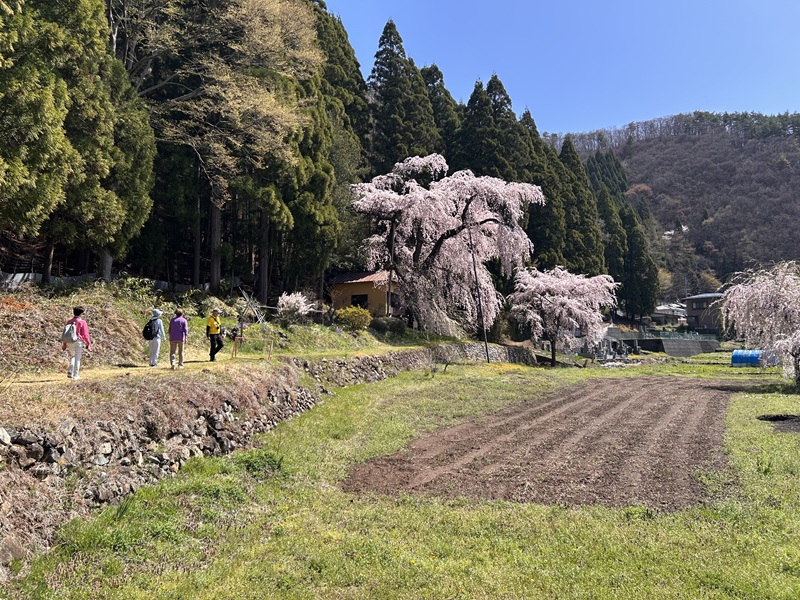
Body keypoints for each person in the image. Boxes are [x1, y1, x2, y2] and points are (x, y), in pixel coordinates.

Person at [62, 306, 91, 380]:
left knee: (73, 356)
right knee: (77, 358)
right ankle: (75, 376)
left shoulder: (69, 322)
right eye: (83, 313)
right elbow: (85, 334)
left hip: (69, 341)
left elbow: (66, 333)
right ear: (81, 313)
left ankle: (70, 371)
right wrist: (88, 344)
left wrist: (64, 344)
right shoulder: (82, 322)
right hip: (78, 341)